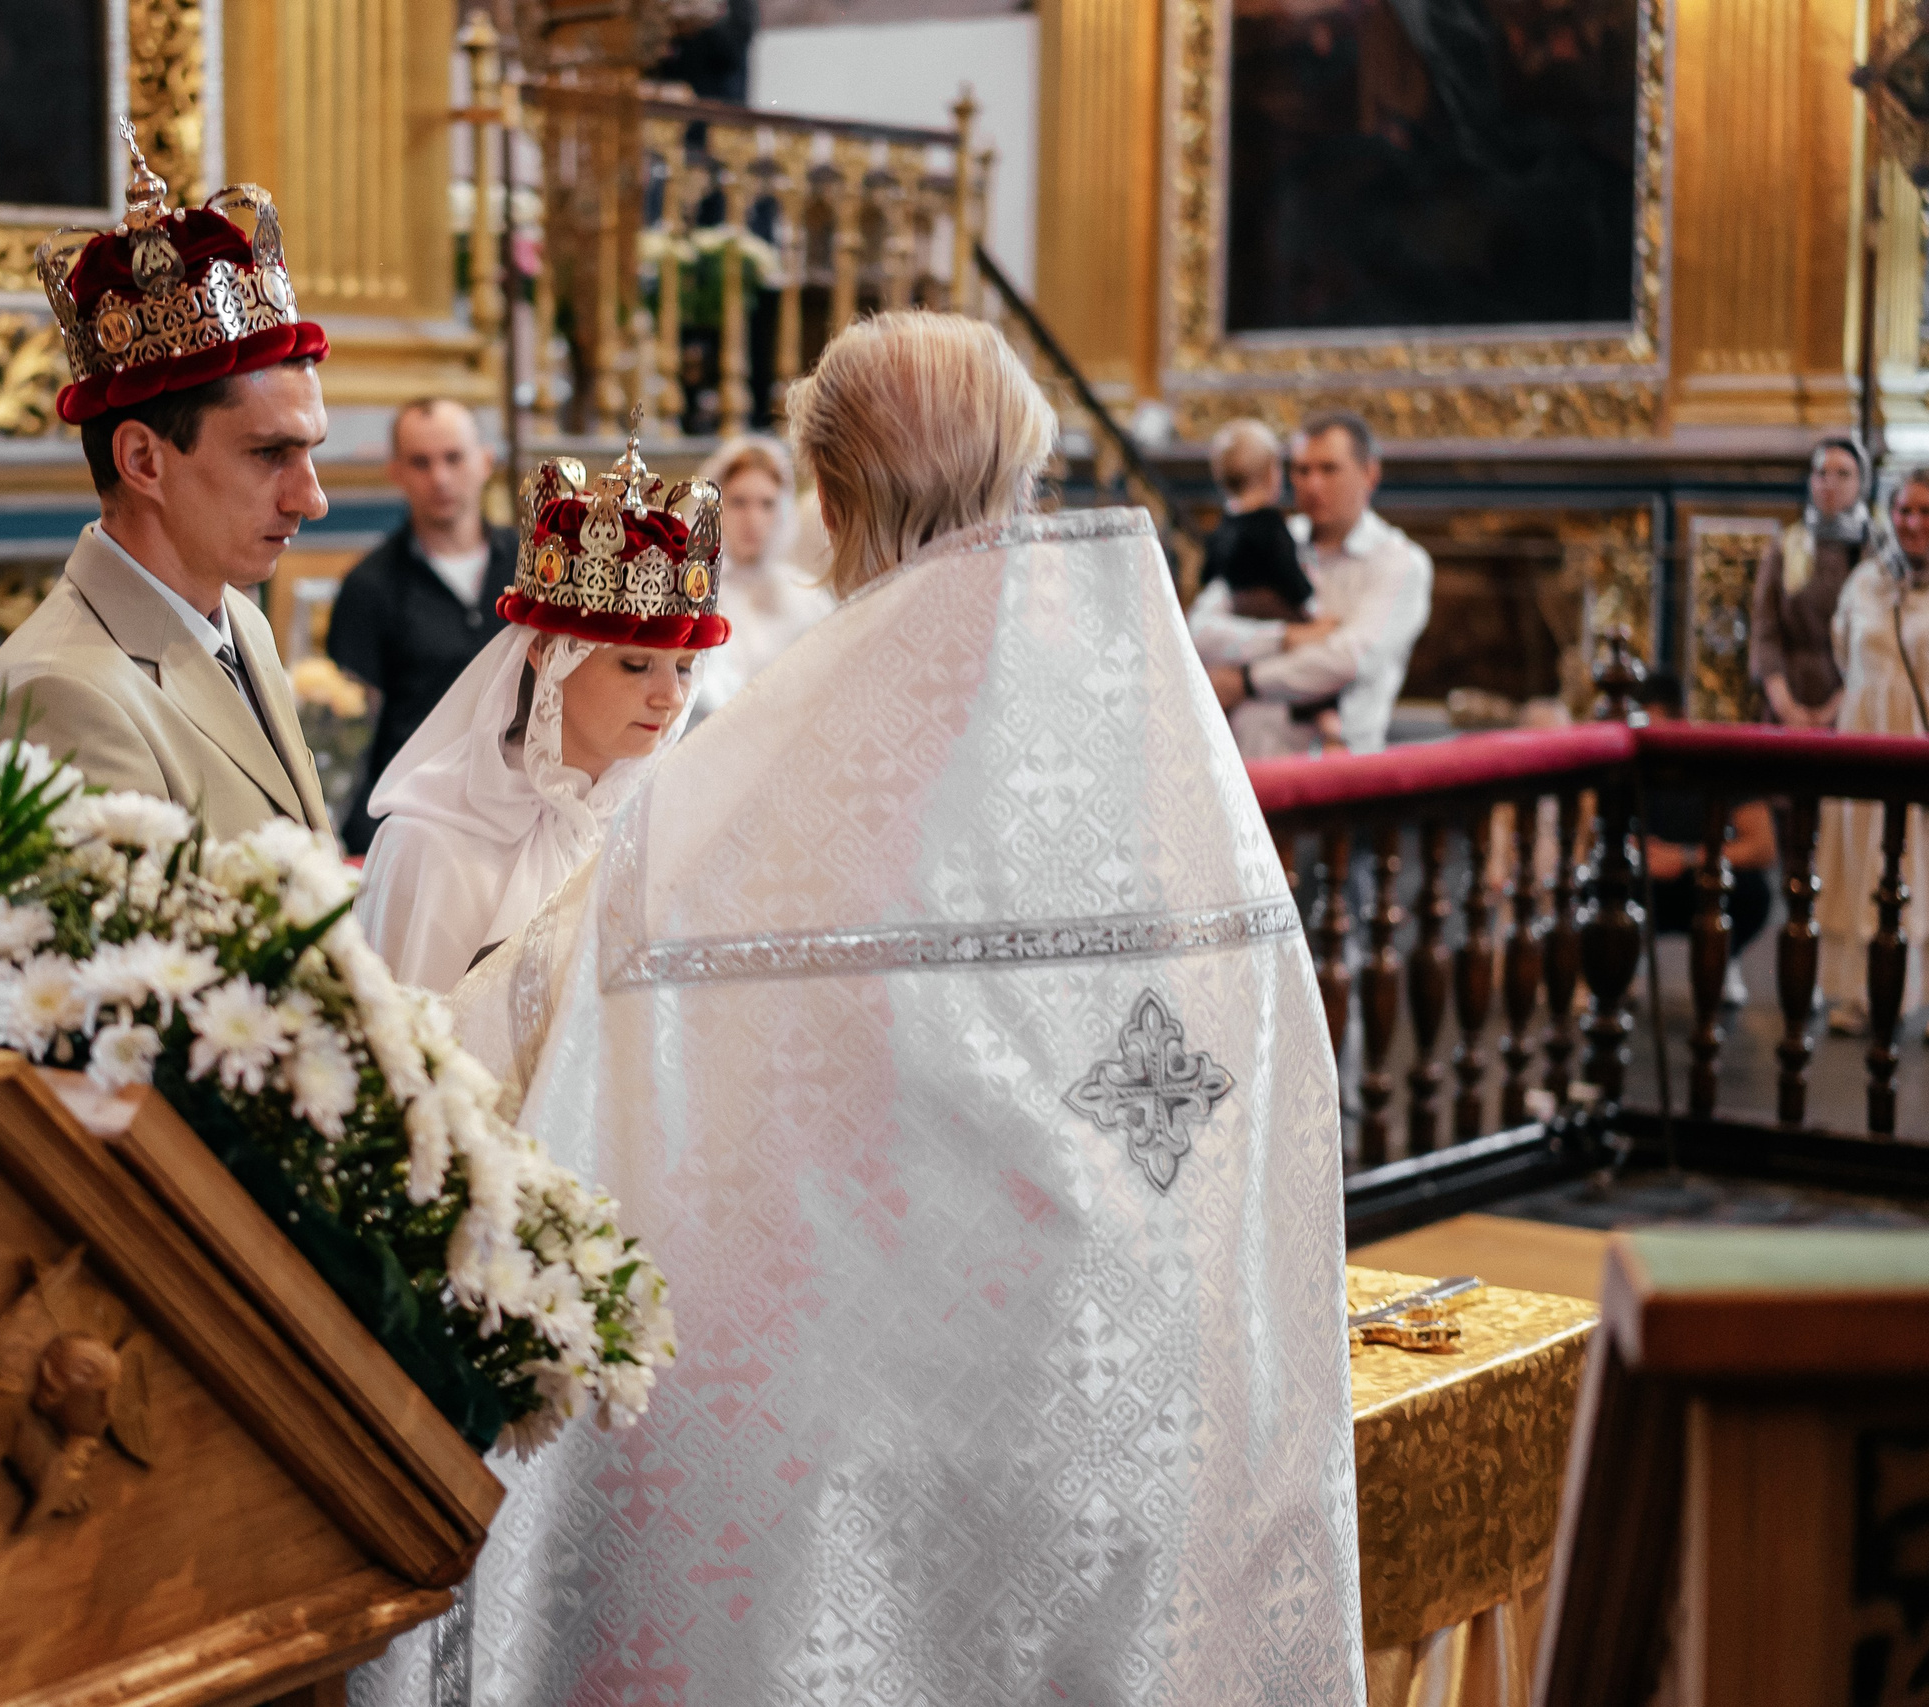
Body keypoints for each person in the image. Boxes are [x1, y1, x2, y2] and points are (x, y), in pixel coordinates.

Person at [359, 312, 1365, 1705]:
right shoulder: (1158, 749)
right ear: (1028, 476)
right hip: (1119, 1442)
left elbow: (527, 1055)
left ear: (828, 502)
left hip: (851, 1487)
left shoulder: (757, 787)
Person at [0, 125, 333, 841]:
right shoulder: (63, 689)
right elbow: (136, 954)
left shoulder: (243, 622)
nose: (313, 498)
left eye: (311, 454)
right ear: (143, 460)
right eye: (271, 453)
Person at [351, 430, 725, 990]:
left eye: (685, 667)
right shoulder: (432, 844)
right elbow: (403, 1055)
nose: (669, 697)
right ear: (546, 657)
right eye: (635, 665)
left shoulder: (665, 829)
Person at [326, 399, 520, 853]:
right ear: (396, 472)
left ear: (486, 461)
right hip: (413, 828)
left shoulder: (532, 566)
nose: (440, 478)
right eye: (420, 462)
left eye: (454, 458)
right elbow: (348, 738)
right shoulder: (368, 586)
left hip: (520, 812)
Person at [1192, 411, 1433, 756]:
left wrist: (1243, 681)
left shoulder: (1401, 562)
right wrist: (1286, 638)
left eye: (1329, 469)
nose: (1313, 484)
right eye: (1302, 470)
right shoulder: (1268, 540)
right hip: (1243, 762)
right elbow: (1200, 631)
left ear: (1369, 474)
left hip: (1339, 771)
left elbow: (1347, 660)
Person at [1818, 466, 1929, 1040]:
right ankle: (1859, 993)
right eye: (1904, 510)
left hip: (1921, 747)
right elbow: (1844, 650)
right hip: (1864, 740)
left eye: (1925, 513)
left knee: (1922, 870)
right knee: (1862, 865)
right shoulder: (1865, 582)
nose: (1912, 523)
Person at [1193, 417, 1347, 751]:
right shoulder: (1272, 527)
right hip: (1276, 615)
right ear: (1272, 475)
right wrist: (1308, 607)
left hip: (1242, 628)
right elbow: (1289, 575)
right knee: (1317, 648)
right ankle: (1329, 722)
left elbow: (1208, 577)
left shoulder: (1222, 529)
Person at [1633, 674, 1774, 1006]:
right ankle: (1623, 954)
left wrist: (1683, 857)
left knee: (1751, 889)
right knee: (1606, 878)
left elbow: (1763, 846)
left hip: (1704, 878)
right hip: (1649, 878)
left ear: (1681, 718)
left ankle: (1725, 954)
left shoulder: (1719, 760)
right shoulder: (1633, 758)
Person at [693, 434, 836, 711]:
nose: (753, 520)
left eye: (767, 504)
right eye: (738, 502)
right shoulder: (692, 591)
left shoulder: (807, 596)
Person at [1750, 436, 1870, 727]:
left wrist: (1833, 710)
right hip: (1788, 700)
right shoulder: (1786, 546)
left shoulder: (1872, 552)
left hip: (1853, 702)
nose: (1830, 483)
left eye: (1843, 474)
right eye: (1821, 473)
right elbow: (1765, 632)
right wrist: (1786, 706)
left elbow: (1872, 644)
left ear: (1862, 483)